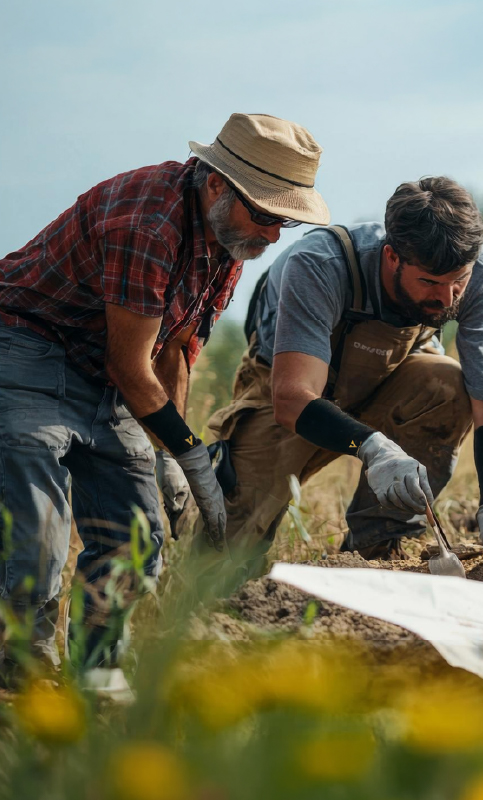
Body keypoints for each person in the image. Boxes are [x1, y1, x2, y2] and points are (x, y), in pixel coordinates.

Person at [0, 113, 329, 675]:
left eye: (285, 224)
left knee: (137, 533)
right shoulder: (150, 223)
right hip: (28, 347)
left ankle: (97, 672)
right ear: (220, 184)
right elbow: (130, 365)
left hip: (107, 373)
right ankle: (20, 675)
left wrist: (168, 453)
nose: (273, 236)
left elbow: (174, 350)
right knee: (38, 534)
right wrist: (193, 454)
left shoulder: (229, 239)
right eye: (267, 216)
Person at [195, 177, 483, 575]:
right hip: (292, 393)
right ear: (391, 257)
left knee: (448, 385)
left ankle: (375, 549)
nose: (446, 298)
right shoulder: (320, 265)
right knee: (219, 561)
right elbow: (292, 397)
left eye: (459, 281)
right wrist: (374, 449)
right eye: (429, 282)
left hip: (393, 378)